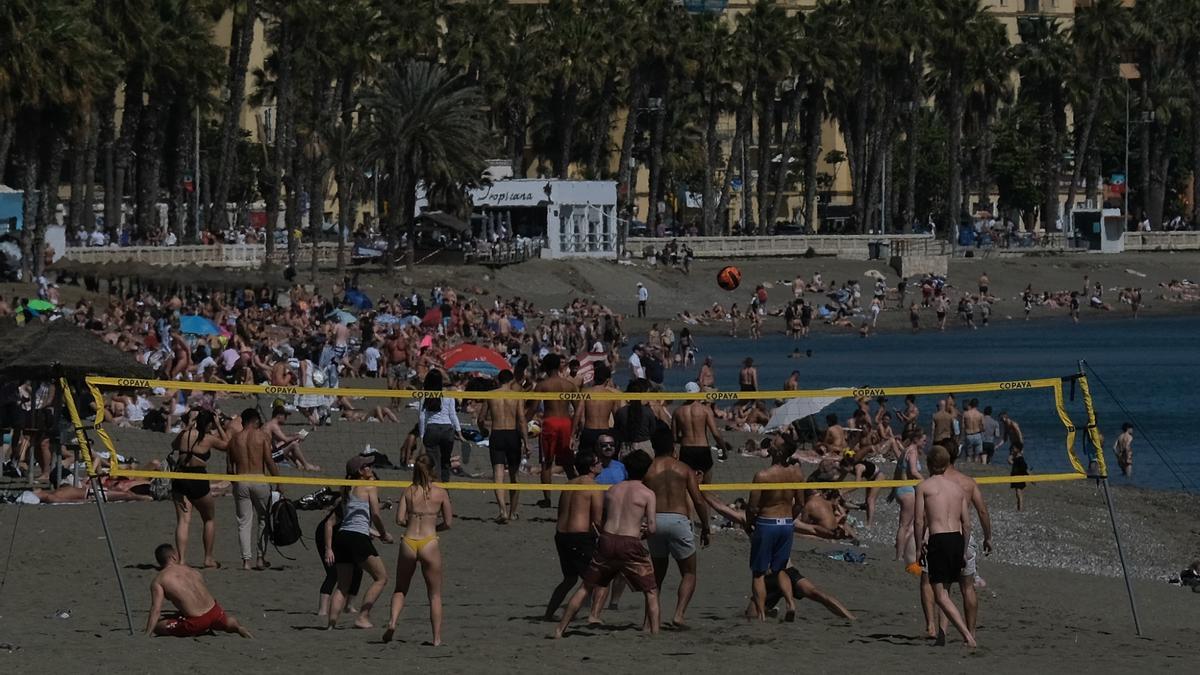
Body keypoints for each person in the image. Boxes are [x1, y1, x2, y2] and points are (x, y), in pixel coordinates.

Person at [553, 450, 660, 638]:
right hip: (629, 542)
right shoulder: (648, 493)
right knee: (651, 591)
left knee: (585, 587)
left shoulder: (613, 489)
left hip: (607, 539)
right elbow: (651, 528)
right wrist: (639, 535)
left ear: (626, 469)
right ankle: (655, 632)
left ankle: (559, 629)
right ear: (646, 471)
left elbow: (604, 518)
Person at [644, 426, 710, 627]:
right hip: (678, 520)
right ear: (673, 446)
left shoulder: (648, 469)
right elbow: (698, 500)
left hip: (655, 520)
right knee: (689, 573)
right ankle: (679, 614)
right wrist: (706, 526)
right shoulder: (683, 468)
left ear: (654, 447)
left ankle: (648, 622)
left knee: (657, 577)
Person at [384, 454, 453, 646]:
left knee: (400, 589)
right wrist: (434, 528)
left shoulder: (409, 491)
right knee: (435, 594)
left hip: (409, 541)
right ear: (432, 470)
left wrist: (411, 523)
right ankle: (436, 638)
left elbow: (399, 519)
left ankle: (392, 621)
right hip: (429, 541)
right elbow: (448, 522)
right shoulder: (440, 492)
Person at [914, 444, 976, 647]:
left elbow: (919, 521)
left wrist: (917, 547)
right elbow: (967, 524)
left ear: (929, 464)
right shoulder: (957, 489)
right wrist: (965, 549)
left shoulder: (924, 487)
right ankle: (942, 636)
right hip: (957, 539)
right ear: (947, 463)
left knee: (939, 595)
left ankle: (967, 635)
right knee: (946, 589)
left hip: (939, 539)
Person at [324, 455, 392, 630]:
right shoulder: (369, 486)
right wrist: (384, 534)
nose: (371, 467)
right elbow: (375, 515)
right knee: (381, 578)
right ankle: (363, 617)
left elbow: (334, 520)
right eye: (368, 466)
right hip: (357, 537)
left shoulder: (346, 489)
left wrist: (329, 548)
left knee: (342, 585)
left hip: (342, 537)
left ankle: (331, 625)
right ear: (360, 471)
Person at [746, 443, 805, 621]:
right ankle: (790, 604)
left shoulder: (762, 475)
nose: (769, 443)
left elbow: (752, 506)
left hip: (767, 523)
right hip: (786, 524)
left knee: (758, 573)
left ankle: (762, 614)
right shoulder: (797, 473)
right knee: (780, 570)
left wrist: (750, 524)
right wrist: (788, 519)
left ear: (777, 451)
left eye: (774, 442)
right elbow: (800, 504)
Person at [544, 451, 605, 621]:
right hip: (580, 536)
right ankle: (586, 615)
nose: (601, 464)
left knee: (569, 579)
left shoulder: (568, 484)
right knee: (595, 579)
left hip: (561, 535)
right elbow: (597, 521)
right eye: (598, 461)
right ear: (592, 467)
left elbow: (562, 512)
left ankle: (549, 613)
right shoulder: (593, 487)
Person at [145, 543, 251, 638]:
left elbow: (156, 609)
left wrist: (148, 633)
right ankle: (238, 627)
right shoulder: (192, 570)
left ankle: (200, 629)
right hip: (215, 611)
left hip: (197, 622)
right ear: (173, 556)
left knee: (158, 627)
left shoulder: (159, 580)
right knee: (225, 621)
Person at [171, 410, 230, 569]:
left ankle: (182, 560)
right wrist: (219, 424)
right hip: (197, 479)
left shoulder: (184, 434)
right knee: (209, 519)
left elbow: (173, 445)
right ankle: (208, 559)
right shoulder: (208, 439)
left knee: (183, 521)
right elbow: (228, 445)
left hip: (180, 477)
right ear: (209, 423)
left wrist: (186, 428)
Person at [228, 408, 282, 571]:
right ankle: (260, 558)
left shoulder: (234, 439)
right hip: (259, 479)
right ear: (256, 421)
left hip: (241, 480)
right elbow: (269, 461)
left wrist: (235, 485)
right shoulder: (262, 436)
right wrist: (279, 481)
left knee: (244, 523)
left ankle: (246, 561)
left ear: (243, 422)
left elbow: (229, 469)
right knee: (264, 519)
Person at [477, 369, 527, 523]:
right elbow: (521, 420)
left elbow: (480, 419)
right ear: (511, 381)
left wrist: (484, 431)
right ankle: (512, 512)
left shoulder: (491, 395)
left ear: (499, 380)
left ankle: (502, 511)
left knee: (498, 476)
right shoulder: (516, 396)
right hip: (512, 434)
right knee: (514, 476)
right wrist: (526, 441)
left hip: (497, 434)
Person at [532, 354, 579, 507]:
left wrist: (523, 421)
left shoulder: (543, 385)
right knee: (568, 462)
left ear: (545, 367)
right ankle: (576, 494)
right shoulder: (569, 385)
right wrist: (575, 428)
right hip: (566, 422)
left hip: (550, 422)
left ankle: (547, 499)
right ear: (559, 366)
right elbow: (579, 409)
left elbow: (532, 407)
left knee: (547, 462)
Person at [673, 382, 727, 483]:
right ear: (698, 392)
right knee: (706, 487)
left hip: (686, 449)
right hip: (702, 449)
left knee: (688, 487)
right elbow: (716, 434)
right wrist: (723, 449)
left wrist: (686, 437)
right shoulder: (705, 410)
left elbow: (674, 437)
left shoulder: (678, 411)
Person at [417, 369, 464, 483]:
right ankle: (445, 490)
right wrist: (459, 432)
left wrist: (422, 436)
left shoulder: (426, 395)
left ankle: (436, 489)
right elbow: (453, 415)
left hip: (432, 429)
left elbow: (422, 417)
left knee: (433, 463)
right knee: (445, 462)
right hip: (447, 430)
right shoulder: (448, 394)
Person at [574, 362, 623, 455]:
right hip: (605, 431)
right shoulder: (612, 395)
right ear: (607, 380)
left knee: (586, 461)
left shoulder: (585, 393)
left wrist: (572, 435)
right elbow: (617, 416)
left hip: (589, 430)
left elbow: (578, 414)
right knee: (605, 461)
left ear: (594, 378)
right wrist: (617, 435)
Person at [1009, 441, 1029, 510]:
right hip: (1016, 477)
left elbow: (1024, 468)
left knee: (1019, 493)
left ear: (1018, 449)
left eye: (1014, 448)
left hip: (1019, 478)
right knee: (1018, 494)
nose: (1012, 449)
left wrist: (1028, 475)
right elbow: (1011, 462)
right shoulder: (1016, 458)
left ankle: (1020, 508)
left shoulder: (1020, 459)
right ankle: (1019, 507)